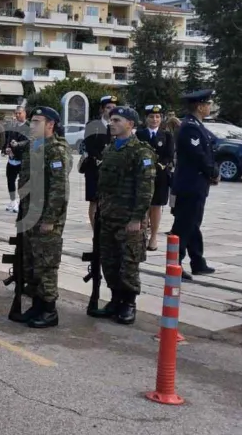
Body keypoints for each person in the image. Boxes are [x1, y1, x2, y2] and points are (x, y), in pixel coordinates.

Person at [92, 106, 156, 324]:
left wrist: (137, 218)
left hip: (129, 219)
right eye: (111, 120)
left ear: (130, 124)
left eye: (117, 120)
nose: (112, 123)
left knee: (128, 263)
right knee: (109, 262)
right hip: (108, 217)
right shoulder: (110, 150)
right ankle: (115, 300)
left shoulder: (141, 152)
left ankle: (129, 303)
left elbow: (145, 189)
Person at [11, 106, 70, 328]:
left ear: (50, 125)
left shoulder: (56, 150)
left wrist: (50, 219)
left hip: (46, 218)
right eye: (32, 121)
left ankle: (48, 310)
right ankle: (36, 305)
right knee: (31, 263)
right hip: (29, 214)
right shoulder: (35, 147)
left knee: (46, 264)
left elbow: (59, 189)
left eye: (37, 122)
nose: (32, 125)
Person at [170, 89, 219, 280]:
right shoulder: (190, 127)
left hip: (197, 184)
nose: (210, 107)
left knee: (193, 223)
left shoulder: (196, 125)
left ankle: (197, 261)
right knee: (183, 225)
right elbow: (198, 155)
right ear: (199, 106)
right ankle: (175, 263)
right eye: (208, 104)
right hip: (190, 185)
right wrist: (213, 172)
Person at [136, 104, 174, 251]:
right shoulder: (139, 135)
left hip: (160, 176)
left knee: (156, 207)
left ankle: (153, 237)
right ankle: (142, 235)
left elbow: (169, 156)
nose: (155, 119)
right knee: (144, 206)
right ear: (146, 118)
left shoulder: (167, 136)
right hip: (143, 176)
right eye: (151, 116)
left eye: (158, 117)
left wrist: (157, 166)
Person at [80, 96, 116, 233]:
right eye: (108, 108)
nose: (111, 110)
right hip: (94, 168)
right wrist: (100, 158)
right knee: (94, 201)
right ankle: (95, 230)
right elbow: (89, 145)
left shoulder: (117, 125)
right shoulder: (93, 125)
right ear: (102, 109)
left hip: (111, 171)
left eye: (114, 108)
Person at [2, 106, 30, 213]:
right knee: (10, 180)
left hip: (22, 159)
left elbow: (27, 142)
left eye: (20, 113)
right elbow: (8, 139)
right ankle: (12, 201)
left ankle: (21, 202)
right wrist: (7, 149)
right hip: (11, 159)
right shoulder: (13, 125)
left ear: (25, 114)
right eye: (16, 113)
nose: (18, 115)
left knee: (22, 182)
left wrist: (16, 147)